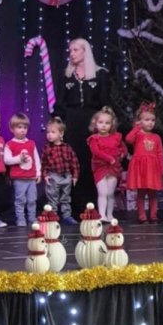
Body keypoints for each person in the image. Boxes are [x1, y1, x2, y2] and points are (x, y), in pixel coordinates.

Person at [52, 38, 110, 216]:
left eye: (76, 50)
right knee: (74, 163)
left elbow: (105, 101)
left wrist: (105, 123)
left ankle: (92, 205)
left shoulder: (100, 74)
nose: (72, 53)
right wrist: (58, 123)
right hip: (72, 122)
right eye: (70, 50)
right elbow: (60, 102)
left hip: (93, 123)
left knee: (92, 161)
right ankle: (73, 207)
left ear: (85, 51)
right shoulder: (66, 75)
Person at [125, 102, 163, 223]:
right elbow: (128, 139)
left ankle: (153, 216)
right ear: (139, 121)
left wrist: (162, 166)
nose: (150, 123)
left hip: (152, 168)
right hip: (140, 168)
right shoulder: (137, 134)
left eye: (152, 120)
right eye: (147, 120)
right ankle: (142, 216)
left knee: (153, 194)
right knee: (141, 193)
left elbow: (160, 153)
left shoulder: (156, 137)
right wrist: (136, 128)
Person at [87, 106, 126, 224]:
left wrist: (123, 153)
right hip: (100, 167)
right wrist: (109, 158)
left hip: (114, 168)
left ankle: (110, 214)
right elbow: (96, 152)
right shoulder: (94, 139)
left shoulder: (116, 137)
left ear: (112, 124)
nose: (103, 125)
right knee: (102, 192)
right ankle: (102, 215)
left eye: (107, 123)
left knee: (110, 193)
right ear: (95, 123)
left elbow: (123, 148)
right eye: (101, 122)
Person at [3, 112, 41, 227]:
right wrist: (19, 159)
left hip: (31, 178)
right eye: (19, 127)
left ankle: (32, 218)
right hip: (19, 178)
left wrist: (38, 173)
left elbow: (36, 159)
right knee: (20, 200)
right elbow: (7, 160)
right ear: (12, 129)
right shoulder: (10, 144)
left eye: (25, 127)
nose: (23, 130)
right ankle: (20, 219)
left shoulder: (31, 143)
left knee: (32, 200)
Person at [41, 116, 80, 224]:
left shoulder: (67, 148)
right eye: (48, 132)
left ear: (61, 134)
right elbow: (43, 163)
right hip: (53, 176)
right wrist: (45, 175)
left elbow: (74, 162)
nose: (49, 134)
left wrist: (75, 176)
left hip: (66, 176)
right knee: (52, 198)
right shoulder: (47, 148)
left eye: (53, 132)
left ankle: (67, 216)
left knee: (66, 197)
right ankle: (53, 216)